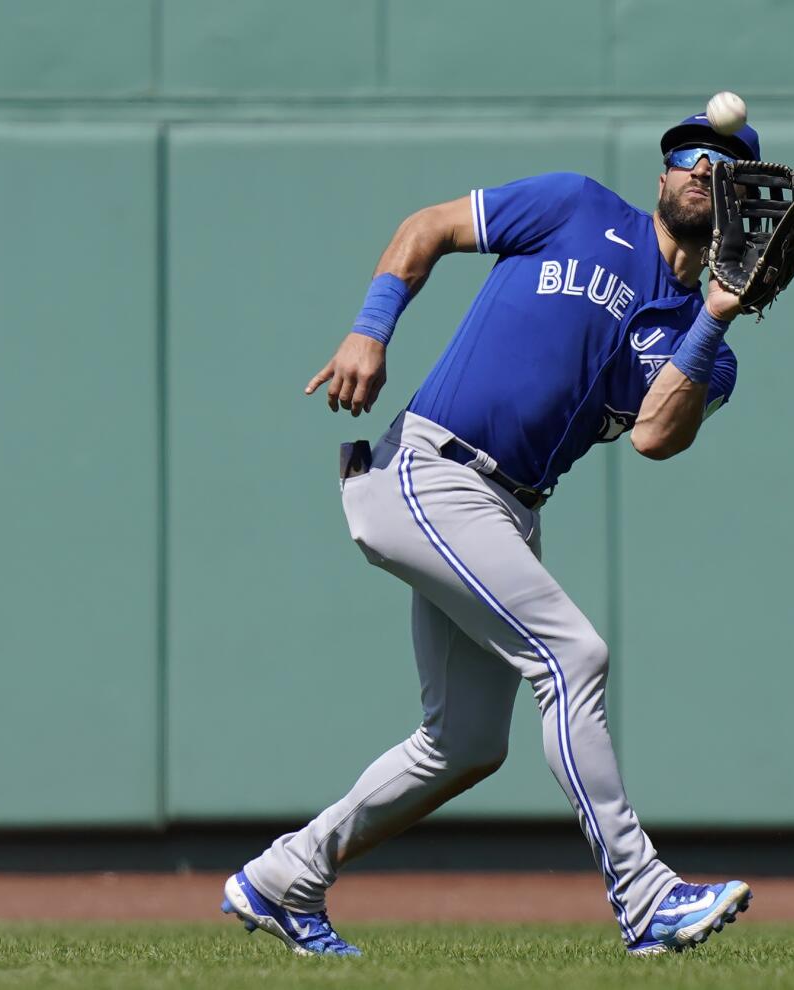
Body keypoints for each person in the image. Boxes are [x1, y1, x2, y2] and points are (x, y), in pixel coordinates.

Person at [220, 112, 764, 957]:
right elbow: (427, 228)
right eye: (690, 154)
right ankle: (646, 895)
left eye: (726, 164)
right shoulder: (577, 208)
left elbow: (658, 435)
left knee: (464, 742)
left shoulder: (707, 345)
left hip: (507, 509)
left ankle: (286, 877)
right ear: (662, 175)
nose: (704, 166)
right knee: (573, 655)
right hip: (430, 469)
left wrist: (718, 316)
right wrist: (372, 325)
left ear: (741, 206)